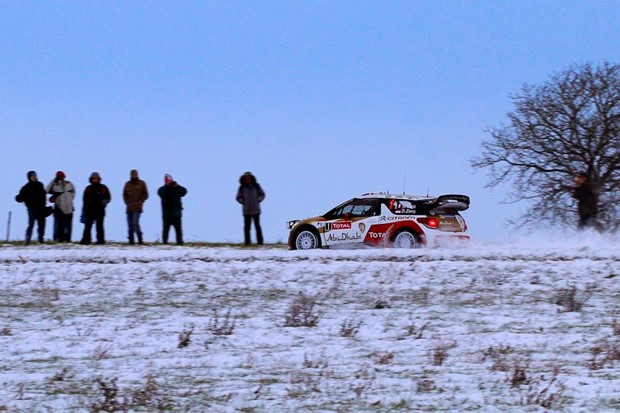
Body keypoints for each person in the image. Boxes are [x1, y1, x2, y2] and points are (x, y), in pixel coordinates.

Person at [15, 170, 48, 245]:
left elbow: (43, 195)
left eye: (35, 176)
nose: (34, 177)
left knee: (41, 225)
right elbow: (20, 198)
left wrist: (44, 206)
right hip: (32, 209)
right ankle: (27, 240)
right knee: (31, 225)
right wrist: (18, 198)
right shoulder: (25, 188)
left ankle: (41, 240)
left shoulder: (40, 185)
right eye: (33, 176)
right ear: (29, 177)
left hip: (41, 208)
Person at [80, 172, 111, 245]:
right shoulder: (88, 188)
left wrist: (103, 202)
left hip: (100, 210)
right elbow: (84, 200)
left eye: (96, 178)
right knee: (87, 226)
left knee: (99, 226)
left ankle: (100, 240)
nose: (95, 180)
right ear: (91, 180)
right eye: (94, 179)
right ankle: (86, 240)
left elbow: (108, 197)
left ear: (99, 179)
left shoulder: (103, 187)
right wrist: (84, 209)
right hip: (89, 210)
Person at [236, 171, 265, 245]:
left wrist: (258, 200)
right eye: (246, 178)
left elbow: (262, 194)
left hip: (256, 209)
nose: (248, 180)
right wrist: (243, 202)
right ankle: (247, 242)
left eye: (249, 178)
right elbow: (238, 197)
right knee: (247, 227)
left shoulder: (257, 186)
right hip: (246, 210)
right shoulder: (241, 188)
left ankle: (260, 242)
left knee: (257, 226)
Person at [157, 174, 187, 245]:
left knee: (178, 230)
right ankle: (165, 243)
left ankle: (179, 242)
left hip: (176, 213)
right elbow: (161, 193)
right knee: (166, 230)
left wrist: (177, 186)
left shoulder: (177, 189)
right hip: (167, 213)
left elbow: (184, 191)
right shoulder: (162, 189)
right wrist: (168, 187)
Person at [46, 171, 75, 242]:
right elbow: (46, 190)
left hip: (69, 207)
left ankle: (68, 240)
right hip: (60, 208)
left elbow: (74, 191)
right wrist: (53, 180)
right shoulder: (55, 185)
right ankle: (60, 240)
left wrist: (71, 199)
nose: (61, 178)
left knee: (69, 226)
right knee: (60, 225)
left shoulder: (69, 183)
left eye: (62, 176)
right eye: (59, 176)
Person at [123, 169, 149, 244]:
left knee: (135, 223)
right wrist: (127, 203)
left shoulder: (142, 183)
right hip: (129, 207)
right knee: (130, 224)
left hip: (138, 207)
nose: (134, 176)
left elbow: (146, 194)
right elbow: (124, 195)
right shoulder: (127, 184)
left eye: (135, 174)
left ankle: (140, 239)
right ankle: (131, 240)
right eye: (132, 175)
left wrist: (140, 202)